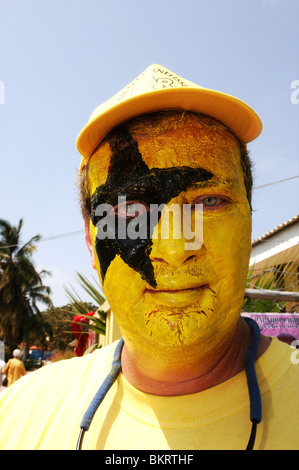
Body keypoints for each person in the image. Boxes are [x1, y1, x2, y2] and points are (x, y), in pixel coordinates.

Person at [0, 64, 298, 450]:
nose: (174, 250)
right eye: (130, 212)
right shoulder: (18, 415)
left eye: (209, 202)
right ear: (93, 245)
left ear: (249, 220)